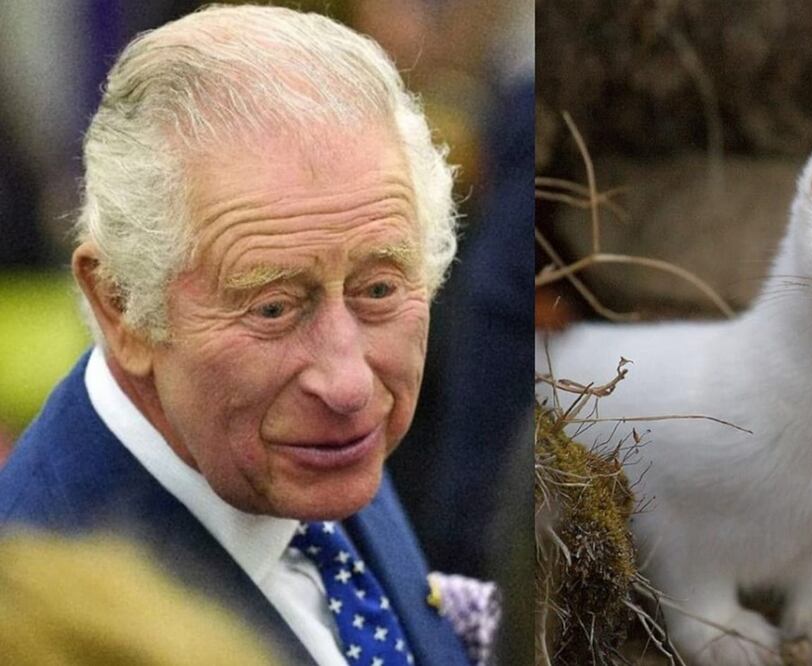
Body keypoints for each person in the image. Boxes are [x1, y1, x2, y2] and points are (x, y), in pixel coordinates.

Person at [0, 5, 487, 665]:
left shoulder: (299, 446)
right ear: (120, 304)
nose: (347, 384)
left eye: (377, 290)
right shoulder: (45, 621)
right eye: (273, 308)